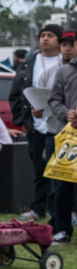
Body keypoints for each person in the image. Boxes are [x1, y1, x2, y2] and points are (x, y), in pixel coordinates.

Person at [11, 24, 64, 222]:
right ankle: (38, 208)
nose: (45, 39)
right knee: (39, 169)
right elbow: (16, 94)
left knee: (63, 170)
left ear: (59, 41)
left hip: (61, 125)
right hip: (35, 125)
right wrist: (22, 121)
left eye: (50, 35)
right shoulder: (28, 64)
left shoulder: (66, 62)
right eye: (42, 35)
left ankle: (67, 210)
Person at [47, 30, 77, 242]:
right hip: (69, 137)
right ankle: (63, 229)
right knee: (63, 185)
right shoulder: (64, 72)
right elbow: (54, 100)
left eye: (71, 43)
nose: (67, 47)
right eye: (64, 43)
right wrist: (65, 113)